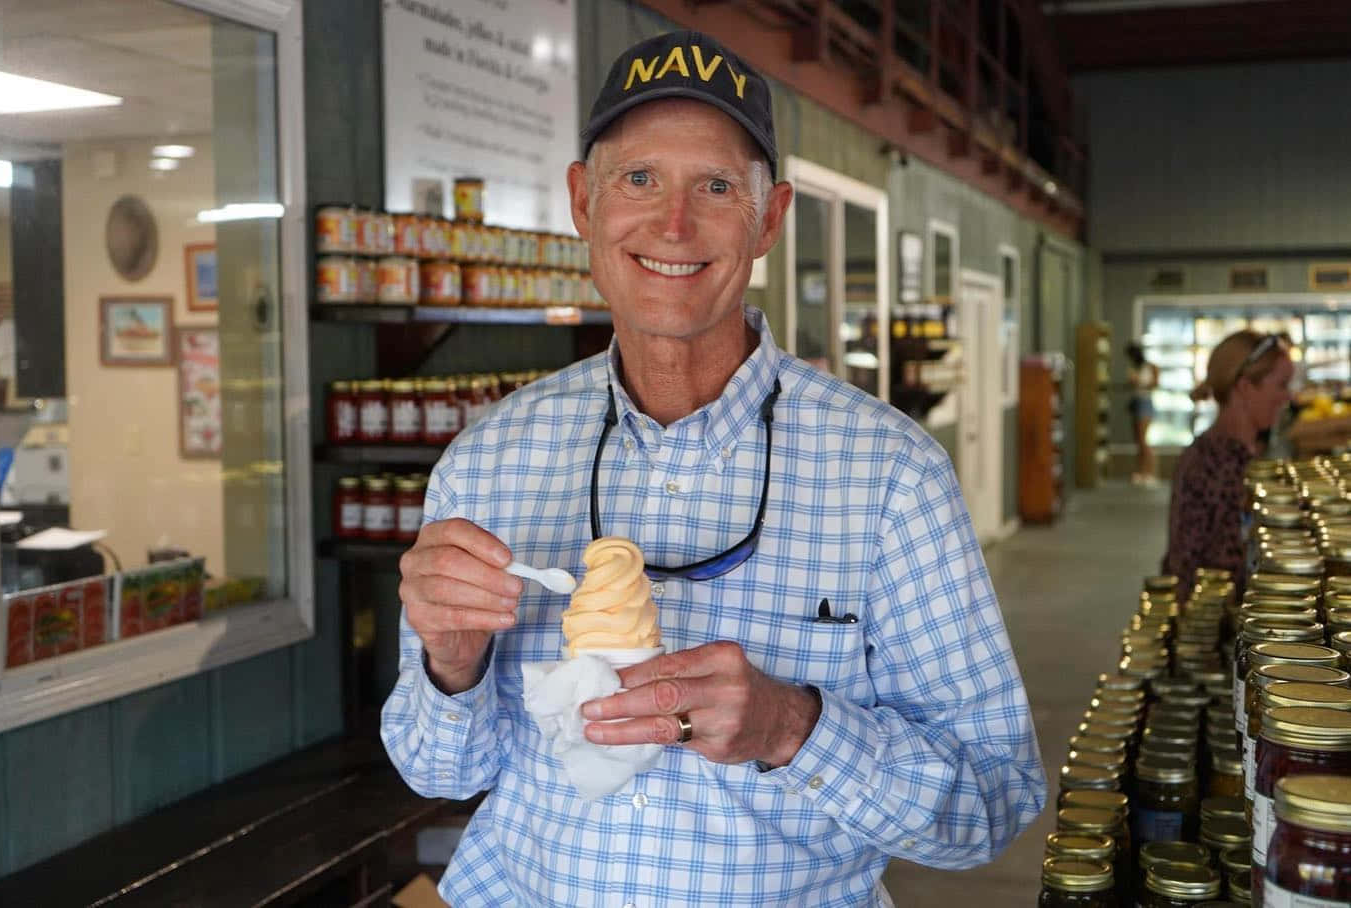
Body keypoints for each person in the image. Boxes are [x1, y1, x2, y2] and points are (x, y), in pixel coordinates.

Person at [382, 30, 1045, 907]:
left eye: (719, 186)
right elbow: (436, 770)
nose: (674, 224)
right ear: (584, 202)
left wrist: (792, 727)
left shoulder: (891, 477)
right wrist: (451, 666)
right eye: (639, 179)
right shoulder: (489, 461)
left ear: (769, 220)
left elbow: (992, 802)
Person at [1162, 330, 1293, 601]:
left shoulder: (1244, 453)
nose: (1287, 398)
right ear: (1245, 388)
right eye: (1281, 385)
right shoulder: (1210, 464)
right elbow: (1185, 566)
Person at [1125, 341, 1159, 486]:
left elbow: (1155, 384)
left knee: (1143, 440)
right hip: (1137, 402)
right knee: (1139, 441)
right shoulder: (1133, 368)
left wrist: (1139, 382)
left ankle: (1150, 472)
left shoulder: (1150, 367)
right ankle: (1140, 472)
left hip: (1145, 402)